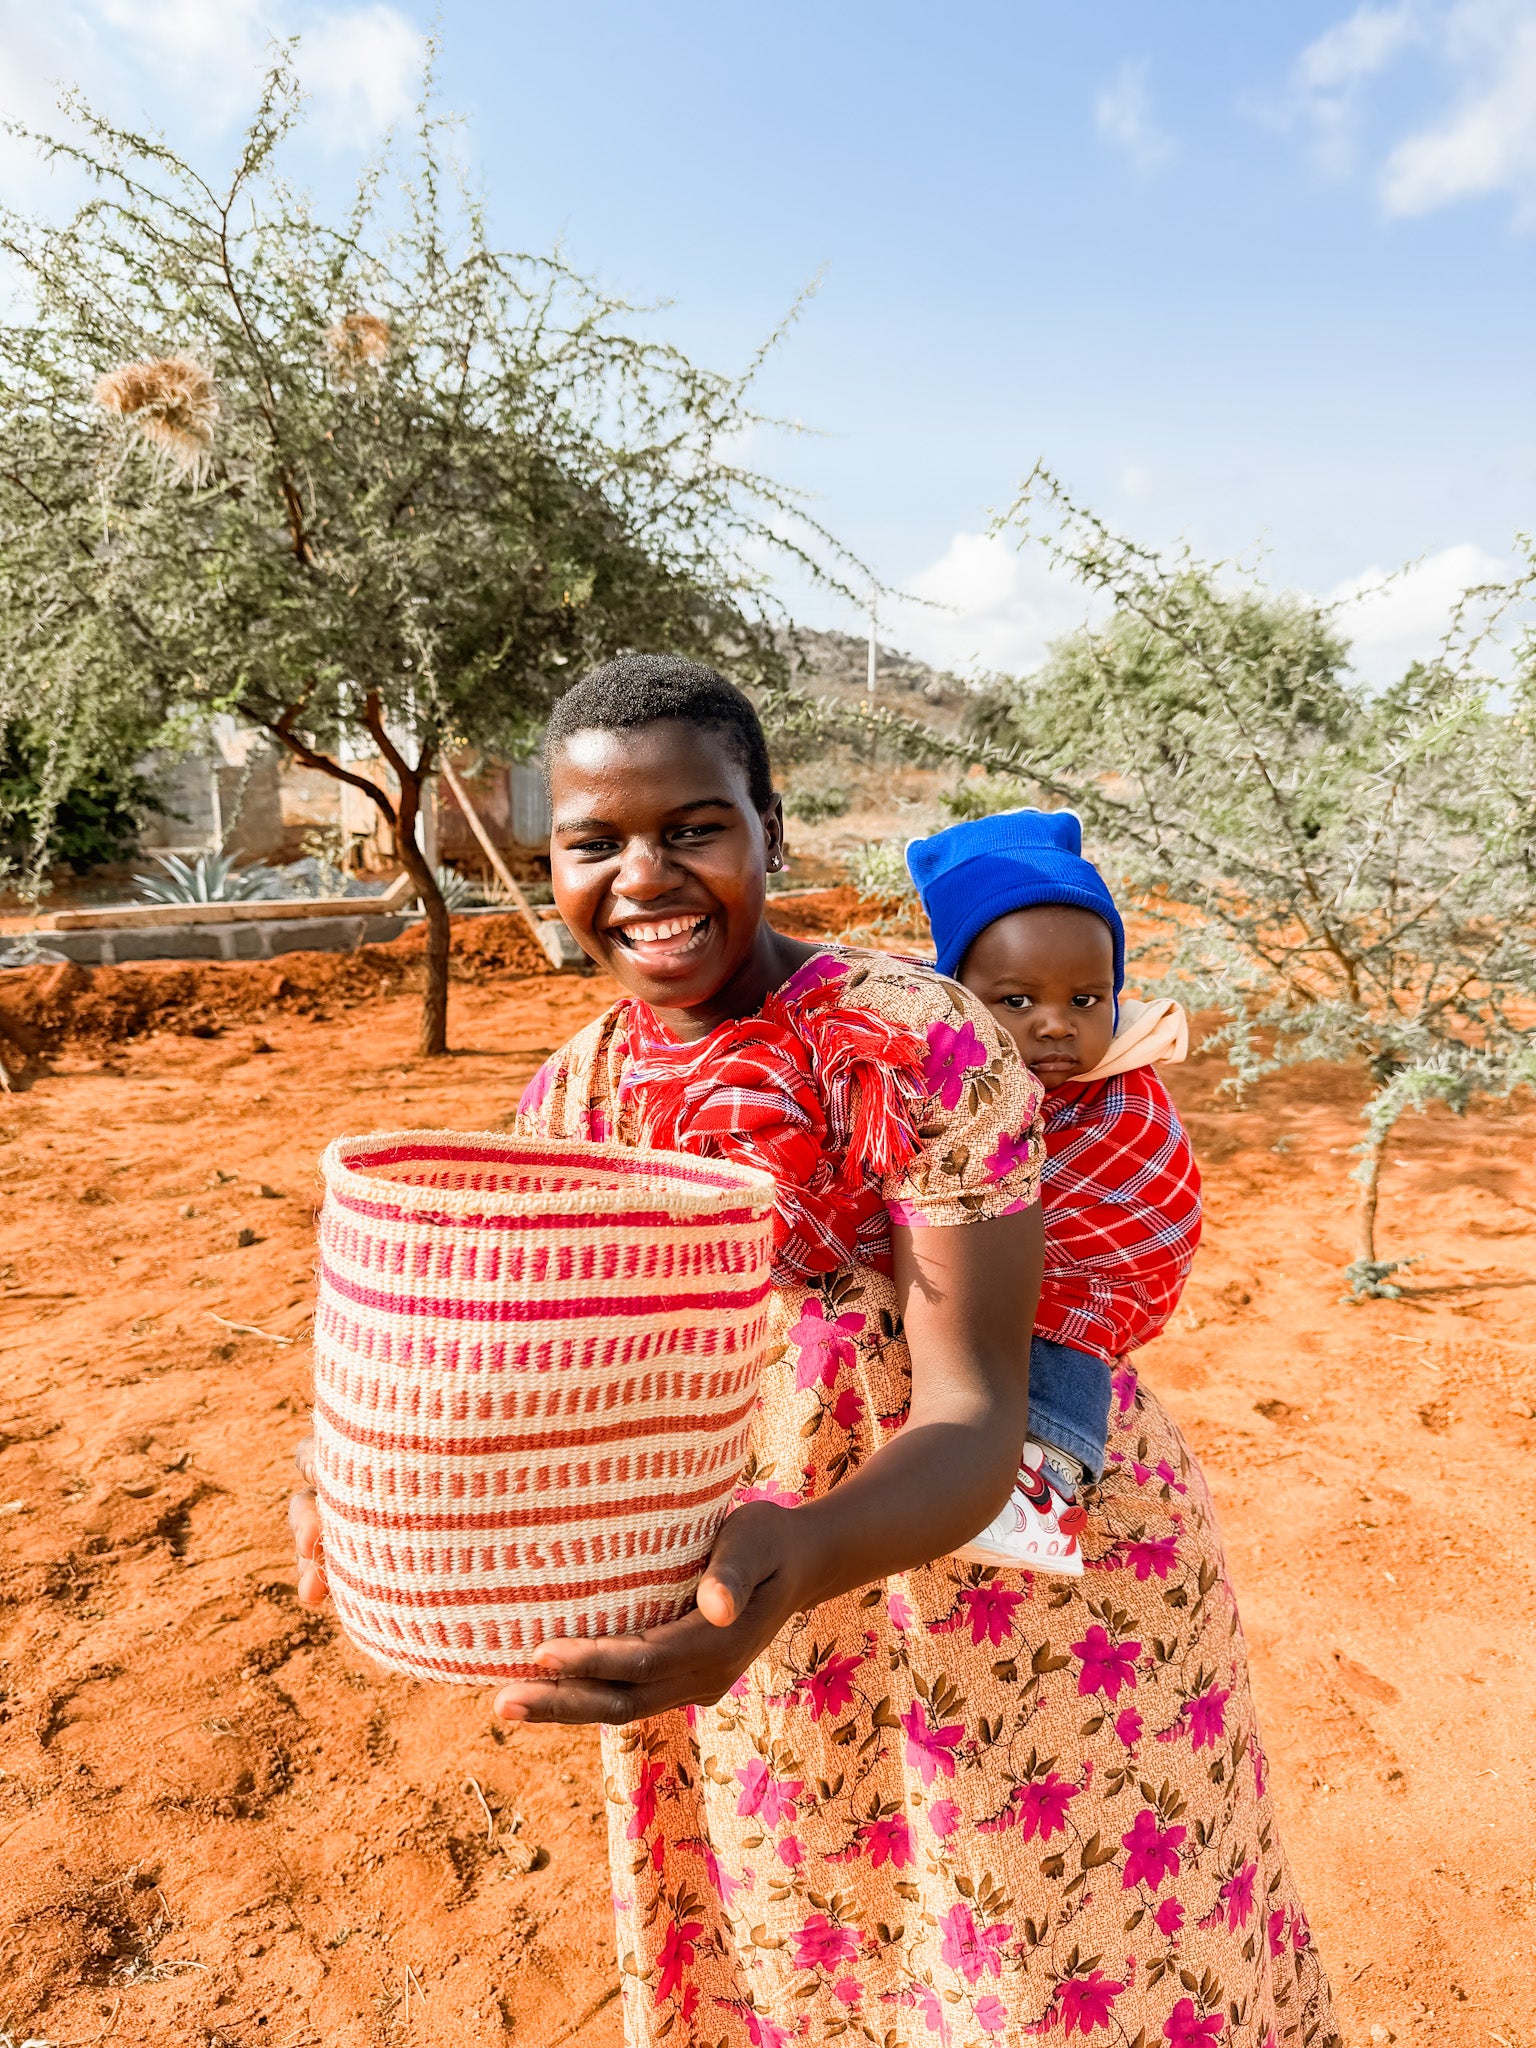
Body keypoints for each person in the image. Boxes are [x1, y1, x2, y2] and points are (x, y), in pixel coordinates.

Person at [289, 656, 1337, 2048]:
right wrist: (369, 1477)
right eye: (595, 843)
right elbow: (521, 1385)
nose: (645, 876)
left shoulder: (923, 1046)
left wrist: (798, 1559)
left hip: (1007, 1582)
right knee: (825, 1948)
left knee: (1053, 1955)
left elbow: (976, 1409)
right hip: (747, 1617)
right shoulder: (576, 1101)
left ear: (770, 832)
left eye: (695, 827)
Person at [907, 810, 1202, 1577]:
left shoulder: (1121, 1099)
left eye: (1085, 1000)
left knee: (1058, 1332)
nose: (1056, 1027)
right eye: (1016, 1002)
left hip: (1090, 1268)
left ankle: (1041, 1489)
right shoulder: (938, 1066)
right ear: (957, 996)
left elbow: (1131, 1194)